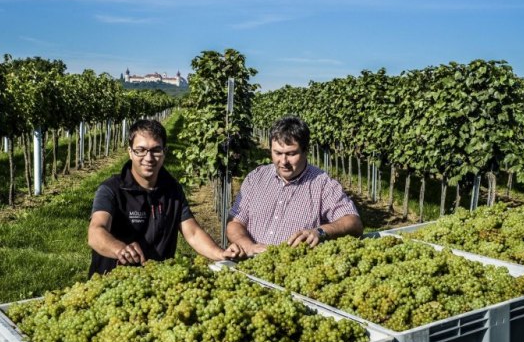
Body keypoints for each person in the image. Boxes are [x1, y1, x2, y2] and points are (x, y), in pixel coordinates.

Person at [88, 119, 244, 277]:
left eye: (156, 150)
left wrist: (220, 254)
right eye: (140, 150)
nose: (148, 158)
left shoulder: (172, 190)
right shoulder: (111, 189)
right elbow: (96, 231)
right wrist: (119, 249)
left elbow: (192, 232)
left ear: (165, 152)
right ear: (130, 152)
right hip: (114, 279)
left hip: (158, 280)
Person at [226, 116, 363, 256]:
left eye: (291, 154)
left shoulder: (322, 184)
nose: (283, 161)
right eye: (278, 153)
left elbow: (353, 222)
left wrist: (320, 232)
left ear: (305, 151)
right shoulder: (256, 178)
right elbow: (235, 223)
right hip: (251, 265)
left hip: (294, 270)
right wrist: (249, 246)